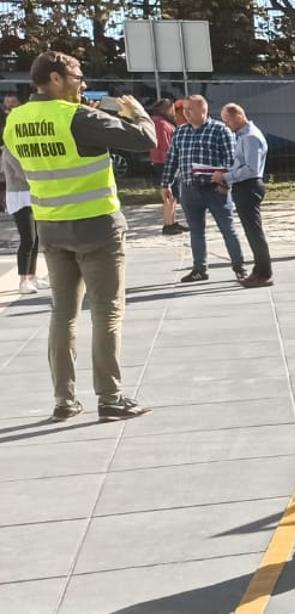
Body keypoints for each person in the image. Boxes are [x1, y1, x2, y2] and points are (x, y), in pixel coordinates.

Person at [1, 52, 155, 422]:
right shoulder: (80, 117)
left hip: (51, 226)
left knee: (63, 315)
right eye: (77, 76)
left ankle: (64, 400)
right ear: (55, 78)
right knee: (106, 311)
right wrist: (137, 112)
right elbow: (145, 140)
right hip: (97, 226)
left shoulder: (15, 119)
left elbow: (29, 163)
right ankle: (110, 397)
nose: (82, 83)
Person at [163, 95, 245, 283]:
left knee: (228, 229)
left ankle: (239, 268)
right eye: (184, 109)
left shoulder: (220, 130)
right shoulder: (180, 132)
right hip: (189, 188)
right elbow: (172, 159)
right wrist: (165, 183)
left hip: (215, 189)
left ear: (203, 110)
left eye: (190, 109)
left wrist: (225, 182)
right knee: (196, 230)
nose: (186, 113)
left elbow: (231, 159)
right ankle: (199, 269)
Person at [214, 102, 271, 286]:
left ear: (238, 116)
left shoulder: (250, 137)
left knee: (254, 232)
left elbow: (251, 169)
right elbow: (241, 164)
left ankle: (264, 273)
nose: (226, 125)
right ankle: (259, 270)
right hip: (244, 185)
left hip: (249, 186)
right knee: (251, 231)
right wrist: (227, 178)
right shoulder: (243, 136)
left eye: (227, 120)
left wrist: (226, 176)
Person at [2, 142, 43, 295]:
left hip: (32, 194)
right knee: (28, 239)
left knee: (36, 238)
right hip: (19, 196)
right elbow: (22, 174)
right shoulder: (10, 151)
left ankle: (32, 277)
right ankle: (23, 281)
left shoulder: (24, 148)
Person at [151, 101, 182, 235]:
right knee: (168, 193)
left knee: (174, 194)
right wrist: (171, 161)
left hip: (166, 161)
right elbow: (164, 145)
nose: (174, 112)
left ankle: (172, 221)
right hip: (164, 162)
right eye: (172, 109)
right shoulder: (160, 123)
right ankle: (168, 224)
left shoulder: (163, 122)